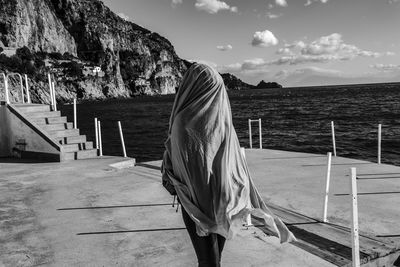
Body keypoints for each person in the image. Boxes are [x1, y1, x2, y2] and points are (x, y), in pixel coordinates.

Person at [161, 63, 295, 267]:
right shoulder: (212, 122)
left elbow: (180, 167)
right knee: (210, 262)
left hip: (210, 204)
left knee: (212, 262)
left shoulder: (197, 121)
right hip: (211, 204)